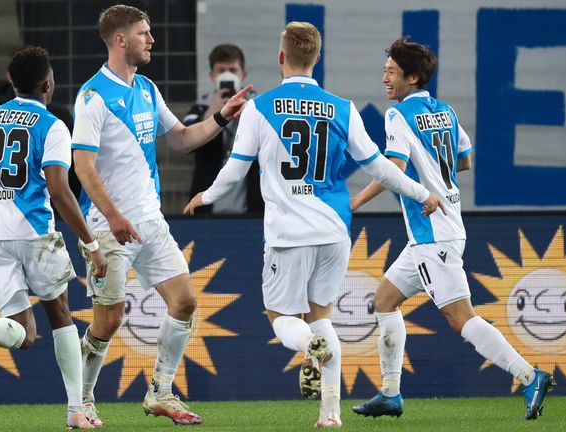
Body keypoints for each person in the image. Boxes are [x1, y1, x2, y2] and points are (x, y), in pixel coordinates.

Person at [183, 22, 445, 428]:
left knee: (280, 317)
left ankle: (310, 345)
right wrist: (421, 193)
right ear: (317, 59)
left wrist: (206, 197)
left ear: (281, 58)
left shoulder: (258, 108)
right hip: (334, 232)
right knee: (321, 315)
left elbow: (235, 171)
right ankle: (331, 415)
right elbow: (380, 167)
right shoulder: (342, 107)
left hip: (289, 235)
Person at [349, 37, 555, 421]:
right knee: (384, 300)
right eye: (384, 71)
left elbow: (392, 167)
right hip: (439, 228)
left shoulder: (398, 116)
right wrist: (432, 175)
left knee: (461, 317)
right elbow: (465, 161)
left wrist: (357, 201)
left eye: (391, 72)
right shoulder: (445, 110)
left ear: (411, 77)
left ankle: (529, 376)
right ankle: (391, 394)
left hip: (433, 233)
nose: (384, 79)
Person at [71, 5, 251, 427]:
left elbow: (184, 138)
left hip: (150, 222)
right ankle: (80, 402)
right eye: (143, 33)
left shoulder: (148, 88)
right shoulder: (93, 96)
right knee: (109, 320)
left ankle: (160, 392)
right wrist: (112, 216)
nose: (151, 40)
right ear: (120, 40)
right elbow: (83, 166)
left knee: (185, 301)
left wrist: (222, 116)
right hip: (109, 227)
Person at [0, 46, 107, 429]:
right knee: (60, 317)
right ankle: (75, 411)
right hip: (33, 233)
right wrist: (89, 242)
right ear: (48, 84)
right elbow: (58, 190)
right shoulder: (53, 125)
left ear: (10, 81)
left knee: (24, 335)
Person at [184, 44, 263, 215]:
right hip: (207, 209)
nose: (227, 75)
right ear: (212, 75)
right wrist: (212, 113)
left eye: (232, 70)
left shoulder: (259, 107)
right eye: (221, 71)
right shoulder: (200, 108)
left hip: (253, 207)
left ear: (243, 74)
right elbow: (186, 141)